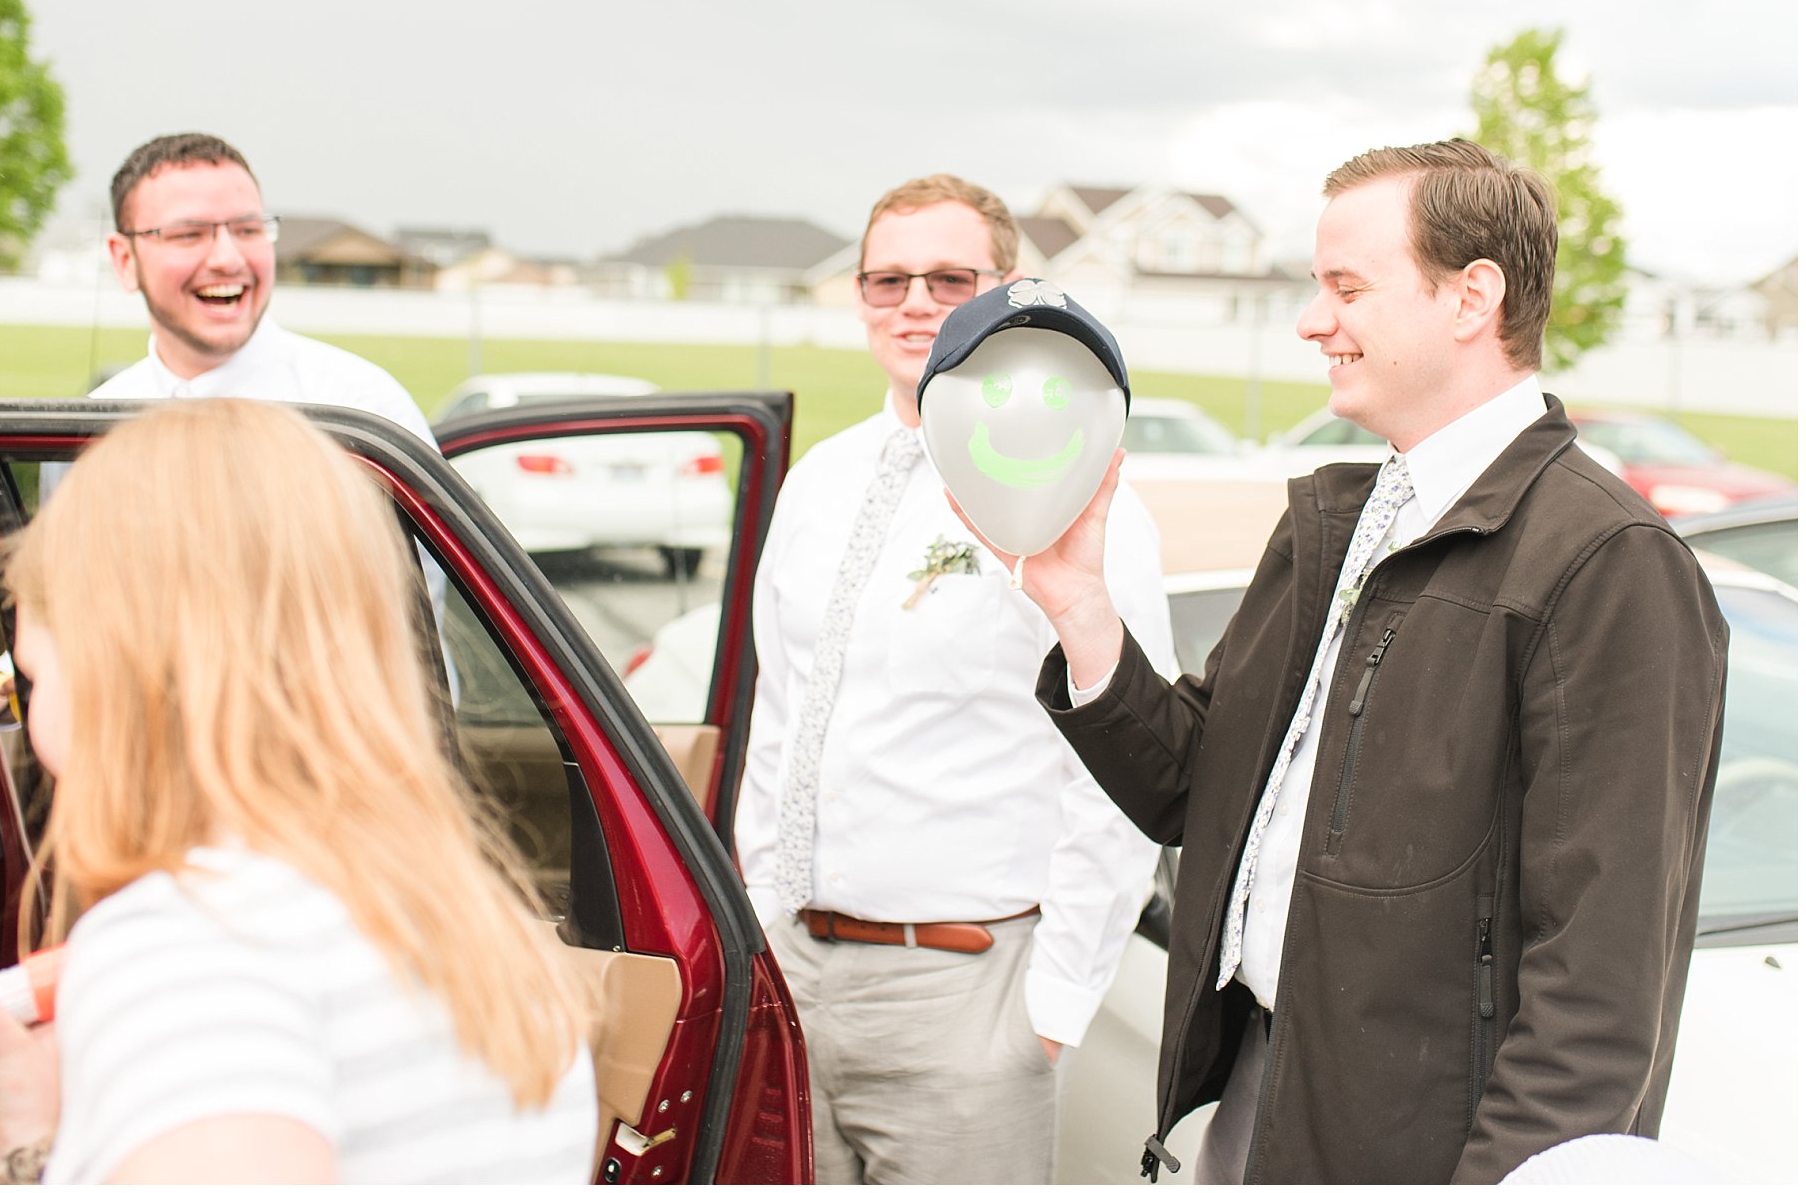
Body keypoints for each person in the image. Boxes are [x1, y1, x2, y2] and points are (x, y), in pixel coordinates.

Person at [994, 140, 1727, 1182]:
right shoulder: (1333, 524)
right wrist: (1080, 608)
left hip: (1426, 1145)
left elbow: (1599, 986)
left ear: (1470, 296)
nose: (1309, 319)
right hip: (1262, 1086)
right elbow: (1192, 789)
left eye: (1345, 286)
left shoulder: (1605, 564)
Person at [0, 399, 597, 1182]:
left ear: (123, 675)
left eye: (34, 677)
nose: (34, 717)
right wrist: (49, 1137)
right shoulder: (476, 935)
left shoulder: (189, 948)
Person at [734, 174, 1178, 1184]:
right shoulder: (816, 481)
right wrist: (758, 918)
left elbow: (1120, 766)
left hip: (966, 996)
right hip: (792, 979)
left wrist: (1052, 1008)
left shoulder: (1065, 488)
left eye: (948, 276)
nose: (913, 302)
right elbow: (779, 709)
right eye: (885, 278)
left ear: (1005, 288)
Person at [92, 132, 435, 446]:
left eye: (248, 229)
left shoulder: (366, 412)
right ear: (125, 261)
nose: (227, 259)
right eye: (188, 234)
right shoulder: (88, 432)